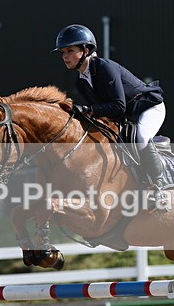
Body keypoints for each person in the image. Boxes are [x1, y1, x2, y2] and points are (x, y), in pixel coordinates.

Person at [52, 24, 167, 198]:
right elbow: (104, 111)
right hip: (125, 116)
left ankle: (159, 185)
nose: (65, 56)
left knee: (141, 137)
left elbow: (119, 105)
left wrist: (87, 110)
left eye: (70, 51)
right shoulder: (80, 81)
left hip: (148, 107)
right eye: (62, 52)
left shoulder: (105, 67)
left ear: (86, 50)